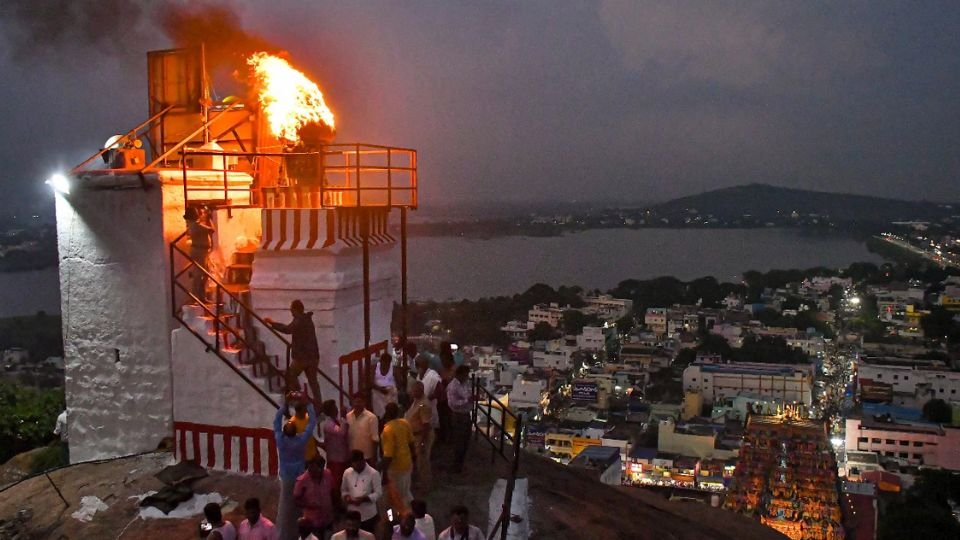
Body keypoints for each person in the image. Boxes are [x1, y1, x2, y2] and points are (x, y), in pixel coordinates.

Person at [275, 394, 318, 540]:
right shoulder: (300, 441)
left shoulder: (281, 441)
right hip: (300, 476)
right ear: (296, 432)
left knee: (285, 507)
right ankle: (300, 531)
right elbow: (312, 423)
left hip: (287, 478)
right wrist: (308, 404)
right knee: (300, 505)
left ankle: (284, 534)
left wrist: (285, 405)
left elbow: (276, 421)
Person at [265, 300, 322, 407]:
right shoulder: (308, 320)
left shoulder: (299, 321)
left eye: (291, 309)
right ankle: (318, 404)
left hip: (302, 357)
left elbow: (287, 329)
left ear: (296, 310)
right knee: (313, 381)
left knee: (291, 374)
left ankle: (298, 396)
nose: (290, 311)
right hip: (313, 356)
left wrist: (272, 323)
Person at [379, 403, 416, 512]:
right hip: (407, 465)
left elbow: (388, 456)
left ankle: (398, 518)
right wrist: (413, 460)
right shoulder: (405, 423)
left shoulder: (388, 430)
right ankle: (408, 515)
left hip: (395, 469)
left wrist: (382, 473)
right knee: (405, 493)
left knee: (393, 499)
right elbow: (411, 443)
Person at [319, 399, 350, 510]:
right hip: (335, 458)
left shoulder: (335, 421)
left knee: (341, 482)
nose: (337, 410)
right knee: (335, 483)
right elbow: (341, 432)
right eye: (334, 408)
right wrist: (344, 417)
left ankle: (339, 504)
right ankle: (335, 506)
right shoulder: (328, 424)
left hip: (342, 456)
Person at [341, 450, 382, 533]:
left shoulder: (373, 473)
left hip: (368, 515)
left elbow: (378, 493)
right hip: (352, 514)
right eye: (353, 464)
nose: (355, 467)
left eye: (357, 464)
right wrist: (347, 497)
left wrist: (364, 499)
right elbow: (344, 490)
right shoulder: (347, 472)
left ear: (362, 461)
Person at [294, 456, 334, 538]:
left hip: (328, 518)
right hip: (312, 521)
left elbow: (333, 492)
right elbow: (296, 500)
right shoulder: (302, 480)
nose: (314, 472)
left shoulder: (328, 474)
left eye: (318, 469)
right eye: (312, 469)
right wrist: (309, 505)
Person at [404, 382, 434, 491]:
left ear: (419, 391)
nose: (411, 392)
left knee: (422, 461)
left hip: (421, 435)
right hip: (414, 435)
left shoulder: (423, 404)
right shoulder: (416, 401)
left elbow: (426, 425)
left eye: (413, 391)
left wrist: (422, 442)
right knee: (418, 461)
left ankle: (425, 485)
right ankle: (421, 481)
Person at [185, 206, 215, 303]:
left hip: (202, 251)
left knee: (204, 274)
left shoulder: (194, 225)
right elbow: (212, 230)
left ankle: (201, 296)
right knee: (199, 275)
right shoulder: (196, 226)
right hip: (199, 251)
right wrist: (209, 218)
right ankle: (195, 297)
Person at [446, 365, 473, 473]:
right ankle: (456, 465)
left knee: (465, 440)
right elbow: (452, 403)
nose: (467, 377)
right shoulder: (453, 386)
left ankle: (460, 464)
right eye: (465, 375)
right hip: (458, 416)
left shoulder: (465, 383)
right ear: (460, 374)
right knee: (459, 441)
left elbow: (467, 394)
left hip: (466, 414)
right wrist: (467, 401)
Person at [413, 355, 442, 444]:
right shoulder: (419, 375)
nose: (421, 367)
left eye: (422, 365)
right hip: (419, 408)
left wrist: (427, 399)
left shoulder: (433, 375)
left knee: (429, 433)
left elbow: (440, 391)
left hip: (430, 408)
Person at [346, 393, 379, 465]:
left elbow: (375, 439)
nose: (357, 404)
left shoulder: (371, 417)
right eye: (355, 402)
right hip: (352, 456)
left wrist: (374, 457)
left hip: (367, 457)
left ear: (364, 402)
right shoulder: (348, 416)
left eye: (360, 402)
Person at [370, 352, 398, 418]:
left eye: (388, 363)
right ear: (381, 361)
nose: (386, 364)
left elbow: (398, 381)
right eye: (384, 362)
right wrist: (380, 389)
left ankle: (392, 416)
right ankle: (380, 417)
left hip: (390, 390)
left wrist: (393, 388)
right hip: (377, 389)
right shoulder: (375, 367)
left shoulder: (393, 368)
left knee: (392, 397)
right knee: (376, 397)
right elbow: (371, 382)